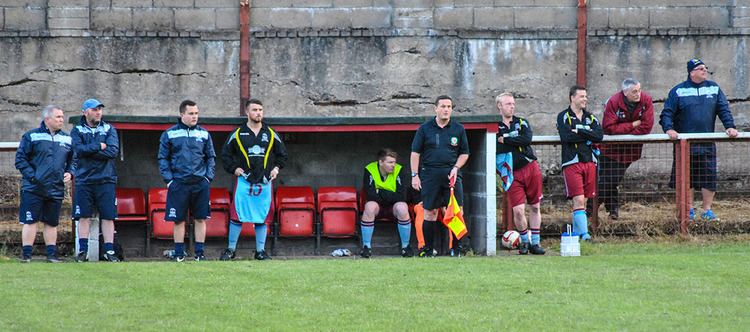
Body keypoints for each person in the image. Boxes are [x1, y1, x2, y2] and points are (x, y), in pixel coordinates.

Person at [660, 58, 739, 222]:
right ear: (692, 72)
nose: (705, 71)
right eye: (701, 68)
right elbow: (667, 113)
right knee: (686, 178)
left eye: (706, 68)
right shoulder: (678, 91)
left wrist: (729, 126)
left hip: (707, 143)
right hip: (685, 144)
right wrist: (669, 128)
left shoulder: (714, 88)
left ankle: (707, 211)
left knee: (708, 177)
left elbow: (723, 109)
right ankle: (688, 210)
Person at [220, 98, 288, 261]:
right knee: (237, 215)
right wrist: (234, 168)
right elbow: (225, 155)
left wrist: (276, 168)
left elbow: (282, 155)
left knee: (262, 215)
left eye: (260, 110)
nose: (258, 113)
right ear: (247, 112)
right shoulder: (238, 133)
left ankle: (260, 251)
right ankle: (230, 250)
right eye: (255, 110)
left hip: (265, 182)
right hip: (244, 181)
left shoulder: (270, 133)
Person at [410, 95, 469, 257]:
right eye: (443, 106)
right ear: (435, 108)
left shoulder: (458, 129)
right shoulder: (424, 129)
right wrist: (415, 175)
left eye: (449, 107)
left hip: (452, 174)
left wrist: (456, 167)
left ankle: (457, 250)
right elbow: (415, 153)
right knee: (430, 212)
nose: (446, 110)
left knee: (457, 211)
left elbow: (465, 153)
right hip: (430, 174)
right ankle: (428, 250)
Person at [158, 100, 216, 262]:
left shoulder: (204, 134)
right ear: (182, 114)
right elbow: (163, 158)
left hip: (200, 183)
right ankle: (178, 254)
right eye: (191, 113)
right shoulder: (169, 134)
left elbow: (211, 157)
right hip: (178, 183)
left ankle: (199, 253)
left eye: (196, 113)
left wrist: (207, 177)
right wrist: (169, 181)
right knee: (178, 219)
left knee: (200, 218)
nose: (194, 116)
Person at [15, 105, 73, 263]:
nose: (62, 120)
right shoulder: (31, 136)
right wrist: (33, 177)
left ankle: (52, 256)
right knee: (30, 221)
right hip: (33, 188)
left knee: (52, 222)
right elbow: (20, 160)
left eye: (62, 117)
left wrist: (70, 172)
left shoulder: (67, 139)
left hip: (56, 188)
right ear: (47, 119)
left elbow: (72, 160)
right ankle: (26, 256)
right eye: (58, 117)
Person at [590, 78, 654, 220]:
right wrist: (632, 125)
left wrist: (624, 132)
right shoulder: (614, 102)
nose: (638, 94)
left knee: (609, 179)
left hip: (629, 150)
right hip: (609, 148)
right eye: (634, 91)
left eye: (639, 90)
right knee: (609, 180)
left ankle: (590, 209)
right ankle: (613, 211)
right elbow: (609, 127)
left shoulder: (646, 101)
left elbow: (646, 127)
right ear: (625, 92)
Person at [71, 98, 120, 262]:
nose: (98, 112)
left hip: (106, 179)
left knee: (108, 216)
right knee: (83, 216)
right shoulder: (77, 130)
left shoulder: (109, 129)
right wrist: (99, 146)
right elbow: (77, 150)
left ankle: (109, 251)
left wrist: (89, 151)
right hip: (84, 180)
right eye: (94, 109)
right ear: (85, 112)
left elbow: (112, 152)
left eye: (100, 109)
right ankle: (82, 252)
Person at [496, 93, 545, 255]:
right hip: (511, 172)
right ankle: (524, 241)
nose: (512, 106)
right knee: (518, 210)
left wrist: (507, 140)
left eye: (513, 103)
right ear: (500, 106)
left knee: (535, 206)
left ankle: (536, 243)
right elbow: (498, 147)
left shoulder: (522, 122)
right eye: (508, 103)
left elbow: (526, 140)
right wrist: (508, 141)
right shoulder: (496, 127)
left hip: (530, 167)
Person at [557, 86, 603, 240]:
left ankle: (576, 235)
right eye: (582, 96)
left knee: (585, 200)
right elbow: (567, 137)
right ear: (572, 98)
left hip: (589, 161)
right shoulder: (564, 116)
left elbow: (599, 136)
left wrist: (580, 131)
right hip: (572, 162)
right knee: (578, 199)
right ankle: (585, 235)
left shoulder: (591, 118)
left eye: (586, 96)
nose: (585, 99)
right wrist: (587, 135)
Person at [361, 148, 413, 258]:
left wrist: (379, 192)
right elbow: (370, 195)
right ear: (381, 162)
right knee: (369, 206)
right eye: (390, 162)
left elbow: (402, 196)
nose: (393, 165)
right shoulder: (370, 169)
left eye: (394, 162)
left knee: (402, 207)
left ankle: (406, 247)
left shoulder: (400, 170)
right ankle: (366, 247)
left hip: (393, 208)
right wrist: (390, 195)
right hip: (377, 207)